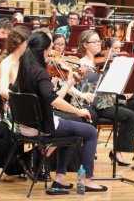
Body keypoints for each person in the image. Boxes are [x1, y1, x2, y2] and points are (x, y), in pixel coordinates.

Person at [14, 31, 107, 192]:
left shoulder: (24, 68)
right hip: (43, 126)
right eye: (50, 48)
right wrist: (78, 111)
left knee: (73, 131)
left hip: (25, 126)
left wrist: (67, 83)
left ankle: (60, 179)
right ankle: (86, 180)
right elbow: (53, 100)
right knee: (90, 131)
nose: (51, 53)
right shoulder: (39, 72)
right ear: (43, 50)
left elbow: (47, 97)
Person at [77, 29, 134, 166]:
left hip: (103, 104)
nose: (99, 44)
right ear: (85, 45)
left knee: (130, 115)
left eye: (100, 41)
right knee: (92, 117)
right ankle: (87, 153)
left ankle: (117, 151)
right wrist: (81, 73)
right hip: (86, 102)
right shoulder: (81, 63)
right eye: (95, 42)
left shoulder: (105, 62)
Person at [0, 26, 32, 101]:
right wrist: (23, 102)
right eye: (28, 43)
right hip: (14, 109)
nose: (29, 47)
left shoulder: (24, 61)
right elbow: (3, 91)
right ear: (19, 42)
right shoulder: (6, 63)